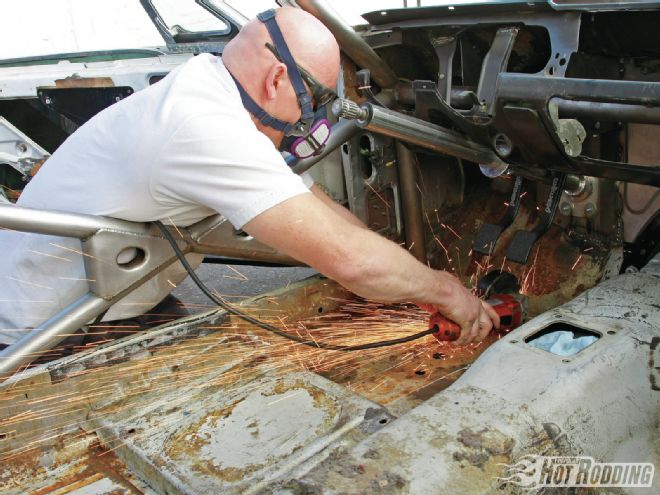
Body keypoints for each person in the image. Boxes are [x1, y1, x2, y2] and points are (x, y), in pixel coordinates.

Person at [0, 7, 498, 351]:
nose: (310, 122)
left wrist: (405, 270)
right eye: (315, 103)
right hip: (45, 335)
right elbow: (350, 261)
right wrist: (451, 295)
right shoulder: (202, 126)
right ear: (278, 79)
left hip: (107, 299)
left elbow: (317, 207)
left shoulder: (209, 87)